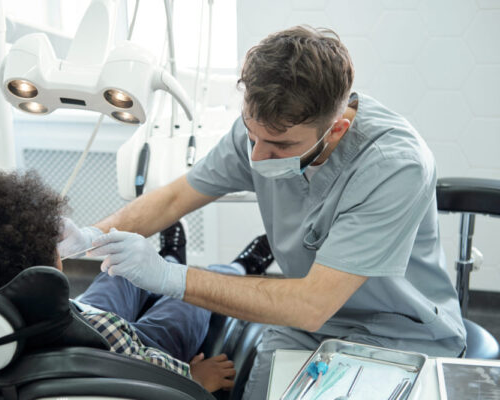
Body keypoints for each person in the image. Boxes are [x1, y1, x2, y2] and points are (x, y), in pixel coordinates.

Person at [60, 24, 467, 399]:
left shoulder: (395, 166)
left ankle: (237, 265)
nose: (256, 156)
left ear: (337, 129)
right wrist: (89, 236)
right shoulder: (262, 127)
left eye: (279, 147)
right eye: (251, 134)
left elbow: (312, 303)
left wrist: (169, 275)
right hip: (304, 327)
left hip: (398, 332)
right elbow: (174, 198)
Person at [0, 170, 239, 393]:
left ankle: (169, 257)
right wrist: (194, 377)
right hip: (126, 343)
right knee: (184, 299)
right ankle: (235, 266)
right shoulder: (109, 331)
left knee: (118, 275)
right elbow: (154, 370)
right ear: (47, 271)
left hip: (65, 319)